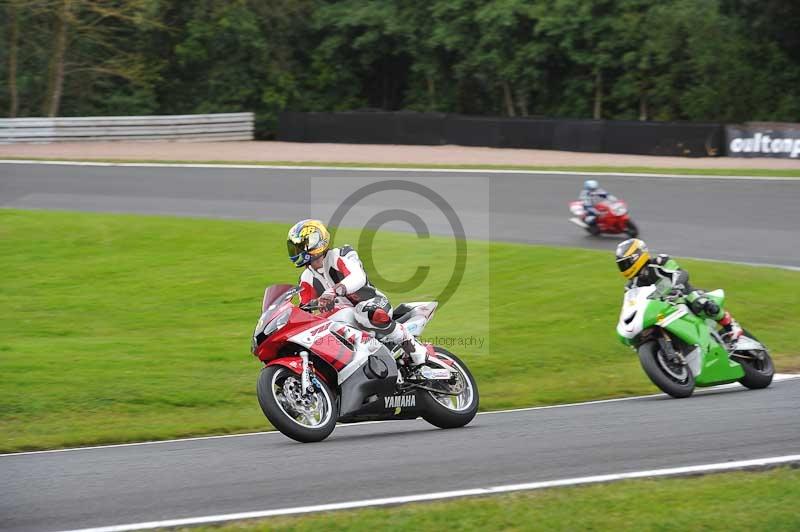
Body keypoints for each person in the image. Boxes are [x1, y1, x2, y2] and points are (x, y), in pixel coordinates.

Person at [286, 219, 432, 365]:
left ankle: (413, 346)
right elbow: (305, 310)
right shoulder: (306, 277)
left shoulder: (338, 256)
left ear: (316, 242)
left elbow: (358, 277)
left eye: (301, 246)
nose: (297, 251)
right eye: (295, 247)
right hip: (344, 315)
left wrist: (333, 292)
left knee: (364, 312)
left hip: (371, 302)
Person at [614, 238, 743, 342]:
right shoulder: (631, 286)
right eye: (621, 265)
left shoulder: (660, 262)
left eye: (626, 263)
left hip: (683, 294)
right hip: (660, 308)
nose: (624, 268)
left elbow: (681, 273)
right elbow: (632, 306)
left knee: (700, 303)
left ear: (637, 256)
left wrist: (674, 286)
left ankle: (730, 325)